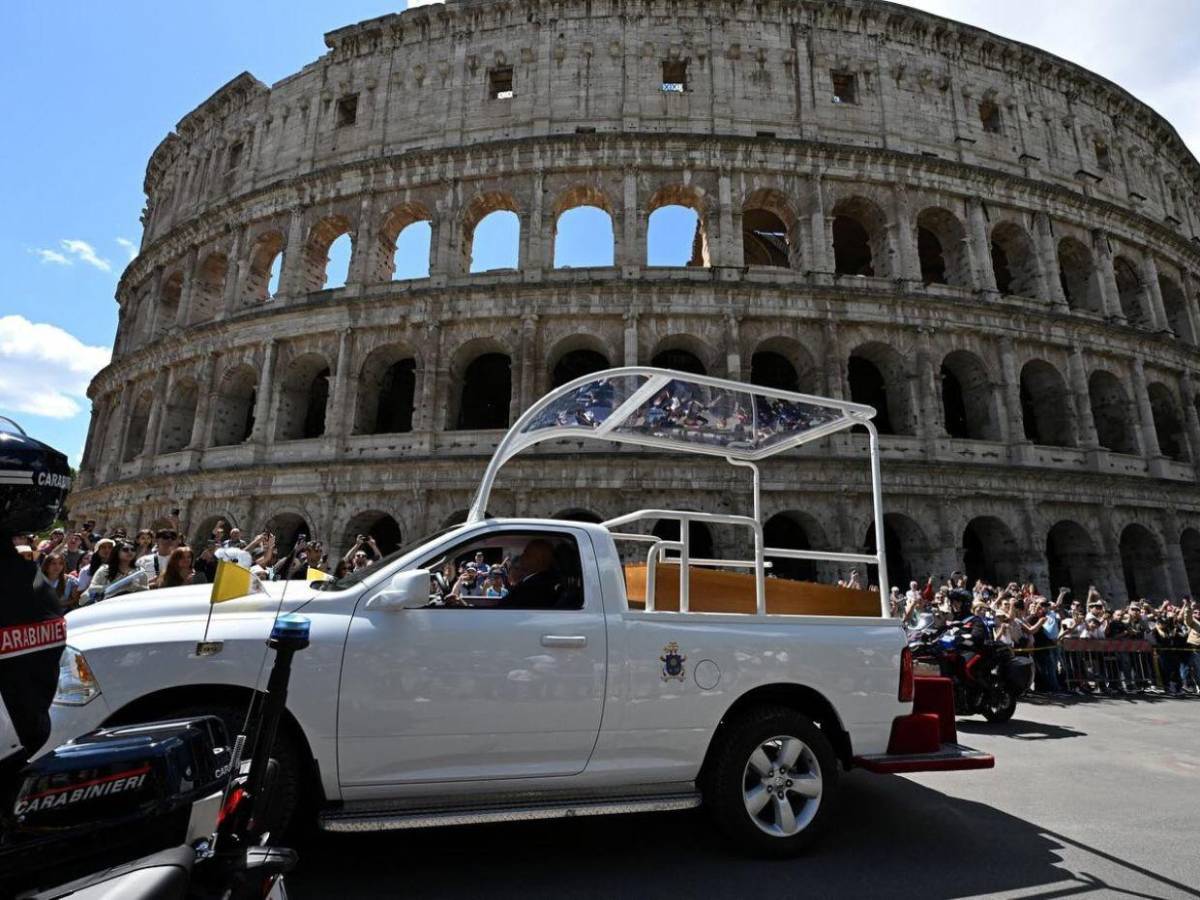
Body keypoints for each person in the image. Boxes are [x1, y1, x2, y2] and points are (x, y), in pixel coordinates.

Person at [498, 539, 561, 609]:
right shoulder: (533, 582)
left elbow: (509, 607)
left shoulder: (535, 587)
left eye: (527, 554)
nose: (522, 556)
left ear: (539, 561)